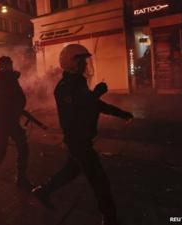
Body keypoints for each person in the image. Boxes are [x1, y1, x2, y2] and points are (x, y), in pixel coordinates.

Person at [32, 44, 133, 225]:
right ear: (70, 64)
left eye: (85, 61)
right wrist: (96, 94)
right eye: (81, 62)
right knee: (100, 182)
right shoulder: (64, 88)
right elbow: (78, 113)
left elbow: (93, 105)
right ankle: (110, 218)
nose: (85, 65)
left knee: (71, 171)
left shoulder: (79, 83)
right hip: (78, 141)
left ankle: (42, 191)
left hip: (82, 139)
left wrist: (120, 113)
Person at [0, 56, 32, 190]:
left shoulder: (13, 81)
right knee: (0, 154)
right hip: (0, 122)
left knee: (23, 146)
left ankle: (21, 178)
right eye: (7, 64)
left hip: (12, 121)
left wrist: (16, 109)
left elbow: (21, 99)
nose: (9, 67)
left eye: (10, 64)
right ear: (1, 66)